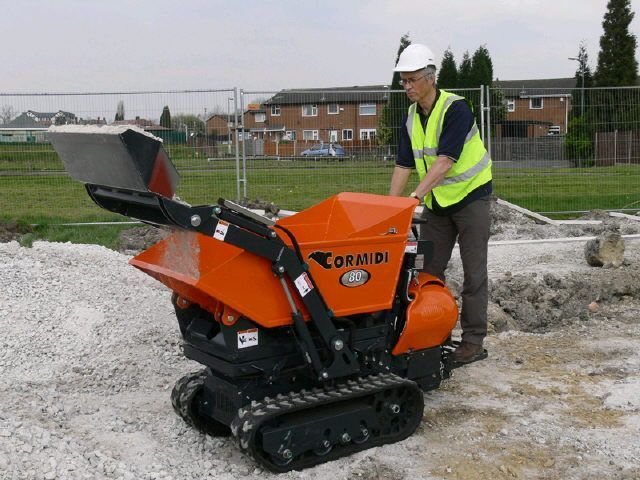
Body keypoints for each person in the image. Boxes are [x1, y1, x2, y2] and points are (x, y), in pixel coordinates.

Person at [389, 43, 493, 364]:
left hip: (471, 199)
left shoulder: (456, 109)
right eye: (403, 80)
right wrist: (390, 208)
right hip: (438, 203)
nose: (406, 86)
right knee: (427, 271)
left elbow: (446, 161)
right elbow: (403, 164)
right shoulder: (411, 116)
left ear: (430, 78)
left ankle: (473, 341)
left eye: (411, 80)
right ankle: (433, 332)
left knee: (474, 274)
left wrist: (414, 198)